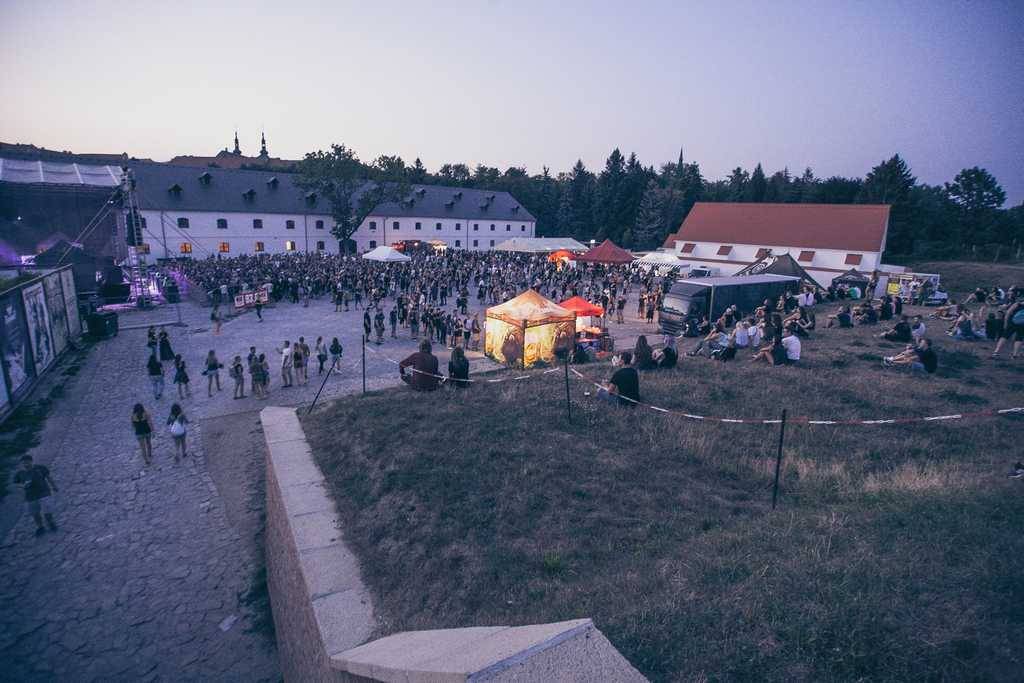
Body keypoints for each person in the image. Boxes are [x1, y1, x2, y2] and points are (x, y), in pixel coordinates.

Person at [14, 455, 58, 536]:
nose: (26, 464)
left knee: (47, 511)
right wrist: (23, 486)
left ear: (31, 461)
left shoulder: (40, 468)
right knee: (35, 513)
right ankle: (40, 527)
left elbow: (48, 477)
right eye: (24, 462)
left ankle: (51, 523)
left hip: (44, 493)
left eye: (27, 462)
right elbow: (16, 484)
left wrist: (54, 486)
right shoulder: (19, 474)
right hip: (30, 497)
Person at [992, 291, 1023, 359]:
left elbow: (1008, 313)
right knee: (1019, 338)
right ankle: (1015, 355)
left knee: (1004, 336)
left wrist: (1005, 323)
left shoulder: (1017, 304)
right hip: (1022, 324)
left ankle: (996, 352)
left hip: (1012, 322)